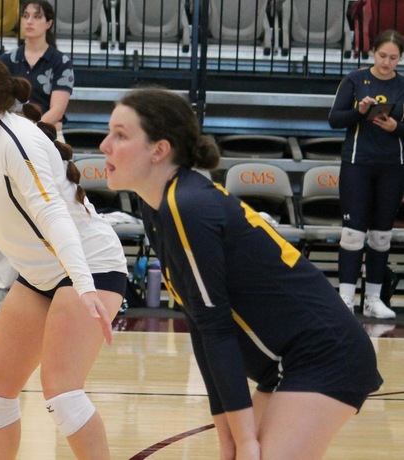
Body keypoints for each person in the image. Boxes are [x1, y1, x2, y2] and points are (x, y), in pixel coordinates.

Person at [100, 87, 383, 460]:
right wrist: (229, 438)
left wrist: (246, 441)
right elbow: (201, 326)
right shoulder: (160, 205)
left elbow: (216, 328)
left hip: (326, 357)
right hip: (285, 365)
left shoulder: (187, 205)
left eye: (120, 135)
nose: (105, 145)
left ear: (159, 149)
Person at [0, 53, 127, 459]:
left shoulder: (16, 140)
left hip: (87, 265)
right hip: (41, 276)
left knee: (62, 393)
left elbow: (55, 214)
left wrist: (84, 284)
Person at [0, 0, 77, 312]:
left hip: (48, 136)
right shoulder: (7, 60)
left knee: (58, 208)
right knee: (3, 207)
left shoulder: (60, 61)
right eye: (26, 16)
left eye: (37, 16)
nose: (29, 21)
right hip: (8, 137)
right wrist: (15, 133)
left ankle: (63, 280)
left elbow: (57, 108)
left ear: (49, 23)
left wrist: (30, 134)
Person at [328, 29, 404, 319]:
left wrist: (395, 127)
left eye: (393, 58)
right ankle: (345, 299)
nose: (387, 62)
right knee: (352, 234)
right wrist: (359, 111)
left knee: (381, 236)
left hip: (392, 167)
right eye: (382, 56)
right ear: (373, 52)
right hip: (357, 164)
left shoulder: (402, 85)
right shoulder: (355, 80)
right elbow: (335, 119)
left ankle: (372, 299)